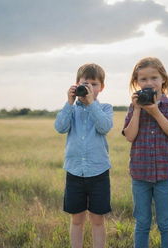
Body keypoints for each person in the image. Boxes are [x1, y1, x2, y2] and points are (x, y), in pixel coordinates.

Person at [122, 57, 168, 248]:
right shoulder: (134, 107)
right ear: (136, 83)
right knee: (142, 223)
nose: (149, 83)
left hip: (165, 174)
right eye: (143, 79)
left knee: (165, 222)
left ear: (163, 79)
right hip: (140, 175)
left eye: (154, 78)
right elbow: (130, 136)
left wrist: (156, 112)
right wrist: (138, 109)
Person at [54, 63, 113, 248]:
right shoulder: (71, 109)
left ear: (101, 87)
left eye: (94, 84)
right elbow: (60, 127)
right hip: (74, 172)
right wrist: (69, 102)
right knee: (77, 219)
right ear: (76, 84)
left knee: (97, 220)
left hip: (98, 172)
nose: (89, 88)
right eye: (85, 83)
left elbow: (104, 127)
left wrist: (91, 103)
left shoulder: (105, 108)